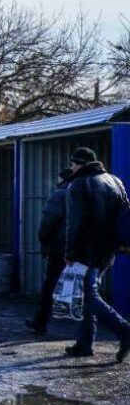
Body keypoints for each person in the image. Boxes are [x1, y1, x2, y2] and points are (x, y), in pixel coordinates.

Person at [62, 147, 130, 361]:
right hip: (108, 248)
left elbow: (75, 224)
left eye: (73, 164)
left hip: (86, 250)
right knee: (88, 293)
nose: (71, 168)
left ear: (80, 163)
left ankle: (125, 330)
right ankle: (84, 343)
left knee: (89, 296)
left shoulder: (78, 185)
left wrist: (70, 253)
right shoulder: (115, 181)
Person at [25, 168, 74, 335]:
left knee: (50, 285)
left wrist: (44, 243)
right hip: (79, 248)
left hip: (59, 247)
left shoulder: (59, 194)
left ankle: (41, 321)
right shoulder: (81, 193)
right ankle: (80, 326)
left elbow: (48, 222)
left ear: (61, 178)